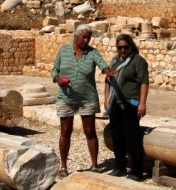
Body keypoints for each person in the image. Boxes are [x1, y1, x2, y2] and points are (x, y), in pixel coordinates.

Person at [51, 24, 110, 180]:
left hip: (87, 97)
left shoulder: (92, 53)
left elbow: (102, 63)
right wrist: (57, 80)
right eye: (83, 37)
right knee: (65, 131)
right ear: (75, 36)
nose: (86, 40)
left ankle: (95, 165)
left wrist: (107, 71)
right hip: (66, 96)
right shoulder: (64, 51)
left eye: (88, 38)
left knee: (90, 131)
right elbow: (55, 69)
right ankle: (63, 166)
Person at [103, 34, 149, 182]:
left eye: (125, 47)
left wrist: (142, 103)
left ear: (131, 46)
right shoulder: (115, 61)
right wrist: (105, 98)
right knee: (117, 137)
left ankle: (137, 171)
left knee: (132, 137)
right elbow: (108, 80)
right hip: (115, 103)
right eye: (119, 48)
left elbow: (143, 82)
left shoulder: (138, 61)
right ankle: (120, 167)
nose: (122, 50)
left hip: (131, 103)